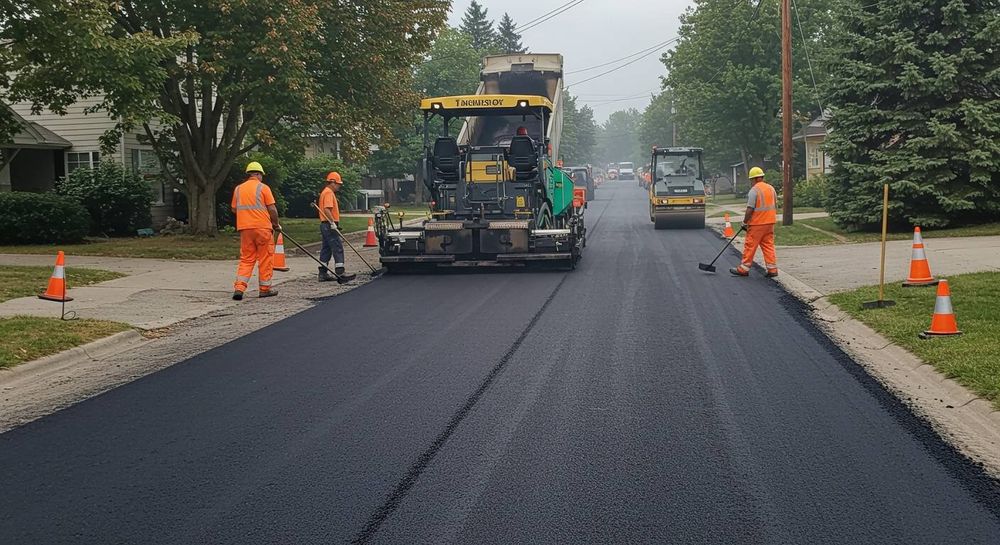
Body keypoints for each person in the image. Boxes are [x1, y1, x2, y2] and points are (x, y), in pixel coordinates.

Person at [231, 161, 280, 300]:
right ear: (258, 174)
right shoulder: (263, 188)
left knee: (246, 259)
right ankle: (264, 289)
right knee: (265, 258)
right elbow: (272, 209)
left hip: (245, 229)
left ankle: (239, 288)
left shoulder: (238, 189)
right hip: (262, 228)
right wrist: (276, 224)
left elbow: (234, 209)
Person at [731, 167, 778, 278]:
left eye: (751, 179)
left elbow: (750, 208)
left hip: (757, 224)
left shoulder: (754, 190)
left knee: (750, 245)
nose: (751, 182)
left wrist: (745, 222)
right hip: (770, 222)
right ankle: (772, 270)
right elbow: (775, 204)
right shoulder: (771, 188)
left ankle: (744, 269)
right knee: (768, 246)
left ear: (754, 179)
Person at [317, 172, 357, 284]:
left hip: (324, 225)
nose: (339, 186)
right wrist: (332, 223)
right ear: (332, 182)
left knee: (326, 249)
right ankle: (340, 272)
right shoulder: (329, 193)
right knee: (337, 247)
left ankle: (323, 273)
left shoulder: (325, 192)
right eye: (338, 184)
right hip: (329, 225)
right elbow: (327, 209)